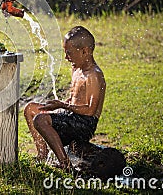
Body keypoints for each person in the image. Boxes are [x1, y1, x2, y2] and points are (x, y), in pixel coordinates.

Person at [24, 26, 105, 171]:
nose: (67, 58)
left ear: (85, 51)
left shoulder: (93, 75)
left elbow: (90, 111)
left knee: (40, 120)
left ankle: (65, 164)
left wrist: (62, 106)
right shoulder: (77, 69)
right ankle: (43, 155)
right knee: (31, 109)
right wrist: (62, 105)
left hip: (84, 123)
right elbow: (74, 98)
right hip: (72, 116)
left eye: (69, 53)